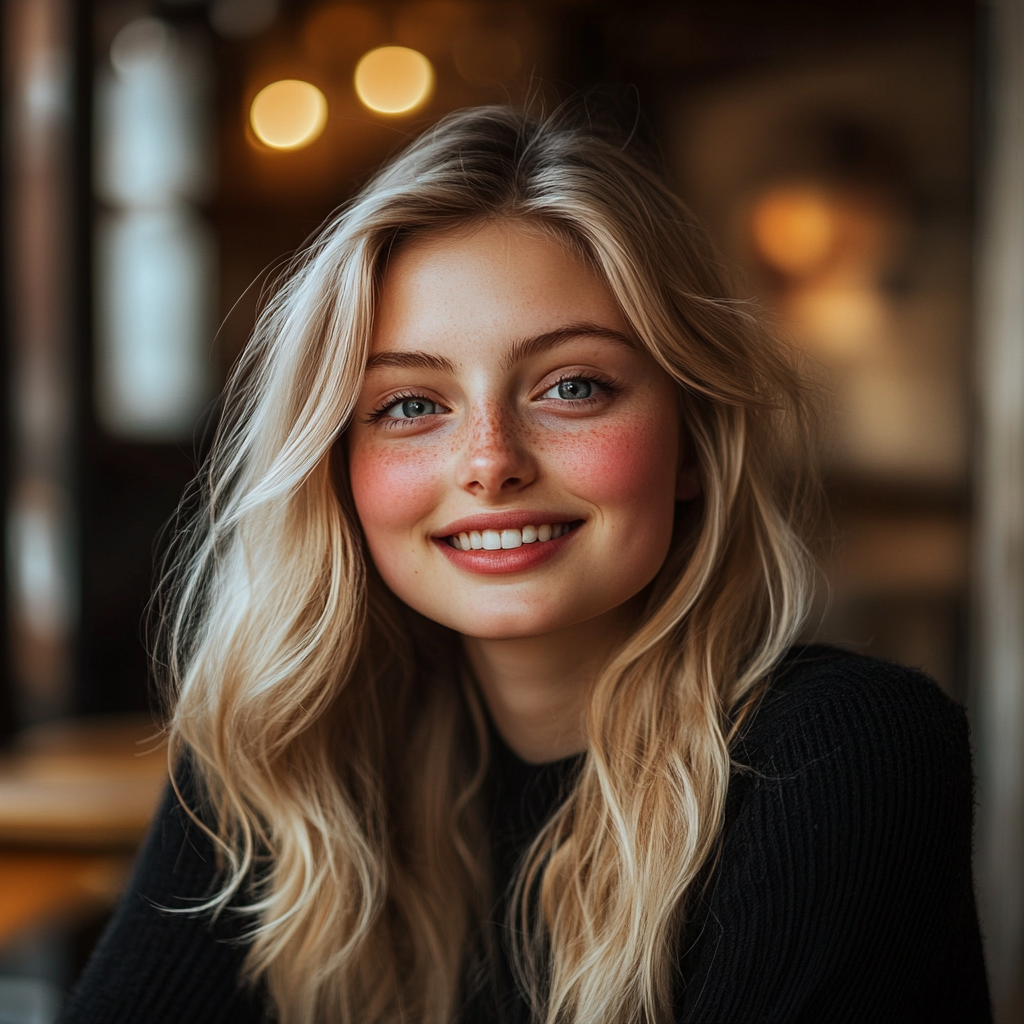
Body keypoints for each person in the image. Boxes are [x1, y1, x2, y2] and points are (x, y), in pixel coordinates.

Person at [60, 105, 990, 1024]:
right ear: (338, 468)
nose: (491, 460)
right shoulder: (277, 761)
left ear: (695, 444)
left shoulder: (845, 758)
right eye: (410, 405)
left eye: (572, 386)